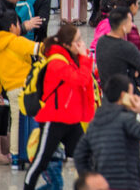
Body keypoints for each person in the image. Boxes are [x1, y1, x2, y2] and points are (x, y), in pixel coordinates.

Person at [24, 24, 96, 190]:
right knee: (41, 161)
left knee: (86, 159)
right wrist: (85, 58)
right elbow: (80, 80)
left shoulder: (71, 59)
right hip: (54, 120)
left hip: (72, 119)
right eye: (78, 41)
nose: (82, 44)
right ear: (67, 45)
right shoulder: (56, 62)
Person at [73, 74, 140, 190]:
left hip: (103, 184)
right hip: (128, 184)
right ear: (123, 96)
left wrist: (92, 179)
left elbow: (79, 155)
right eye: (131, 94)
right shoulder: (126, 120)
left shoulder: (95, 123)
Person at [0, 10, 40, 166]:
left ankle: (15, 155)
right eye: (18, 24)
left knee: (15, 120)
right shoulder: (16, 41)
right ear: (12, 26)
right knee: (29, 120)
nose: (20, 28)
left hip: (10, 89)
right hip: (25, 87)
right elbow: (38, 48)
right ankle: (23, 153)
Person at [94, 7, 140, 87]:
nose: (132, 24)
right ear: (123, 26)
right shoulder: (127, 47)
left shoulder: (101, 42)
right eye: (130, 22)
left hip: (106, 91)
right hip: (124, 92)